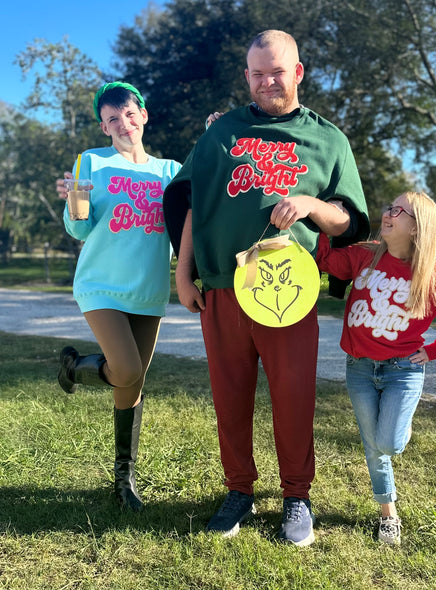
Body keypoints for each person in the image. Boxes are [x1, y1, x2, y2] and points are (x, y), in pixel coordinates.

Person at [163, 30, 370, 546]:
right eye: (256, 74)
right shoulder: (223, 132)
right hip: (225, 289)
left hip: (289, 291)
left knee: (293, 397)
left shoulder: (329, 139)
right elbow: (191, 201)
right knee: (229, 398)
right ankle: (238, 491)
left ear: (298, 72)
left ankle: (297, 496)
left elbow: (348, 221)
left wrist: (311, 205)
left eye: (276, 72)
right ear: (246, 76)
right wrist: (182, 273)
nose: (266, 82)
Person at [315, 191, 436, 545]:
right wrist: (322, 217)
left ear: (416, 227)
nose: (387, 213)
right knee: (373, 446)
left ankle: (398, 426)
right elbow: (325, 260)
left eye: (397, 210)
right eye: (388, 207)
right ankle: (388, 514)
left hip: (402, 370)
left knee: (389, 442)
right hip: (359, 368)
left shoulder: (435, 278)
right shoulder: (364, 255)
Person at [56, 81, 181, 512]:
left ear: (143, 115)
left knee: (132, 383)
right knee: (125, 369)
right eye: (112, 119)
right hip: (100, 285)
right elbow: (79, 227)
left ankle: (123, 478)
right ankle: (75, 368)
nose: (122, 123)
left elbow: (191, 218)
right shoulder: (92, 161)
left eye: (129, 114)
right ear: (104, 127)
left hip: (148, 291)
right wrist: (74, 197)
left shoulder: (171, 171)